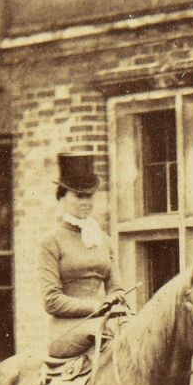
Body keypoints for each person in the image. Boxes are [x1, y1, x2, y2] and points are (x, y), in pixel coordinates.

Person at [37, 154, 130, 359]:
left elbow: (116, 287)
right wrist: (96, 306)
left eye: (89, 196)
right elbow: (51, 301)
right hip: (67, 329)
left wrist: (116, 298)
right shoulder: (51, 241)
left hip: (103, 322)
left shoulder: (103, 240)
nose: (86, 202)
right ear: (61, 197)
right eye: (79, 196)